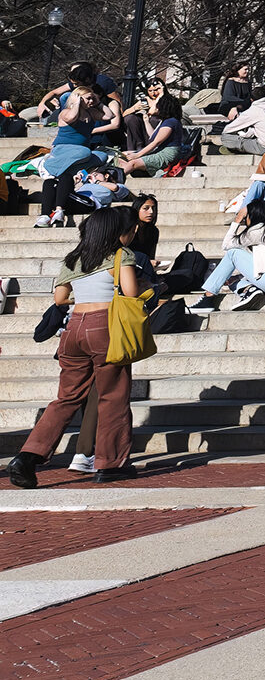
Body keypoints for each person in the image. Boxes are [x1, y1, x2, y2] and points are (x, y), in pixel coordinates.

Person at [8, 206, 145, 485]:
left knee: (66, 398)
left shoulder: (75, 258)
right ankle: (110, 464)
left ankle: (28, 456)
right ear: (116, 231)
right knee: (113, 396)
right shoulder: (121, 255)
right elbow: (131, 292)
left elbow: (60, 298)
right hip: (105, 326)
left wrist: (82, 299)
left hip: (74, 328)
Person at [199, 200, 265, 308]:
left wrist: (237, 220)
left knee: (233, 253)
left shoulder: (260, 229)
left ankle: (208, 297)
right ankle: (249, 289)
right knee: (232, 280)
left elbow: (226, 245)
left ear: (253, 216)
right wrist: (239, 276)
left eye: (246, 216)